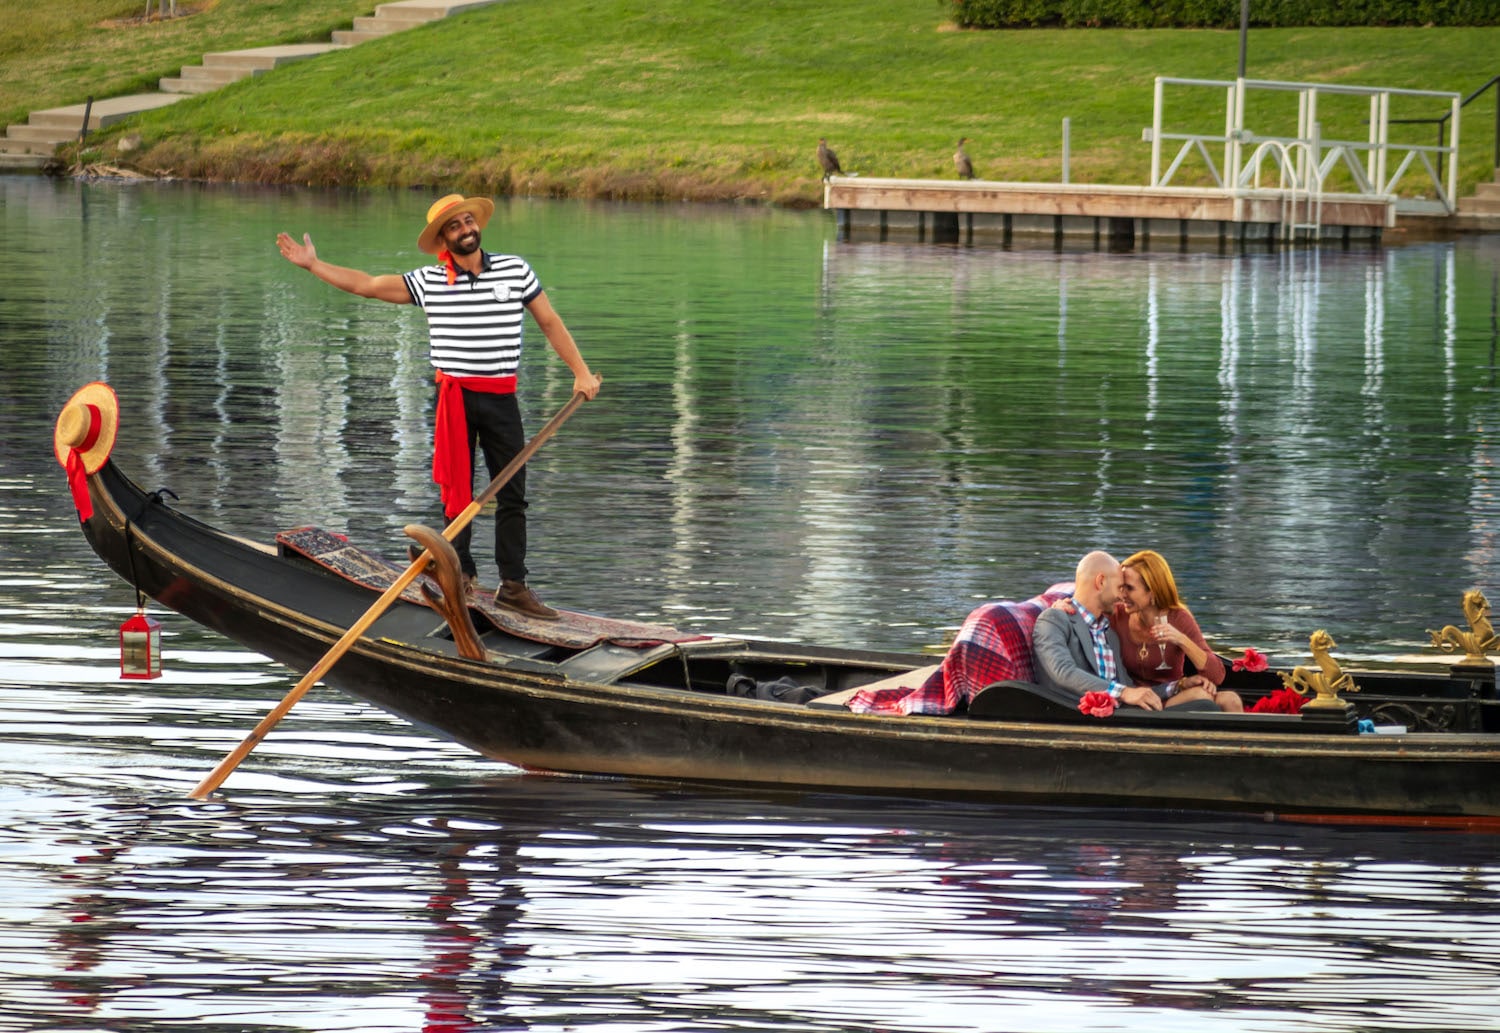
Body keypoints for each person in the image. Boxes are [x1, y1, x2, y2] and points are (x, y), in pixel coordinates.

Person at [276, 194, 602, 620]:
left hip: (502, 398)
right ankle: (460, 576)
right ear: (444, 239)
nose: (465, 229)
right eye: (455, 226)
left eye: (468, 221)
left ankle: (514, 586)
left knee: (513, 496)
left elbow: (549, 321)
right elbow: (367, 285)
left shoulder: (516, 270)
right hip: (455, 400)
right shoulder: (428, 281)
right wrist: (315, 266)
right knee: (458, 493)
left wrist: (580, 371)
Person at [1048, 550, 1243, 713]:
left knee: (1231, 700)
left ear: (1152, 593)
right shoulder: (1116, 614)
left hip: (1167, 692)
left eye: (1129, 588)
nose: (1121, 595)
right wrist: (1060, 606)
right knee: (1201, 696)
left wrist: (1182, 640)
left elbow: (1217, 676)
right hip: (1133, 698)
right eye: (1121, 587)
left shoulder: (1178, 618)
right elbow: (1089, 600)